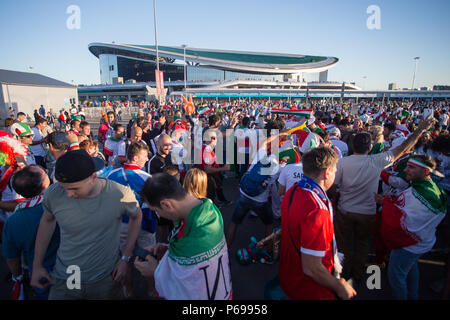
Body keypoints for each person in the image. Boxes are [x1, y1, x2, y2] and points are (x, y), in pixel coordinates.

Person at [333, 117, 437, 284]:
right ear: (370, 147)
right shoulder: (377, 160)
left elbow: (333, 186)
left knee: (343, 245)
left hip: (345, 210)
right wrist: (420, 130)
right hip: (367, 212)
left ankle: (342, 274)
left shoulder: (342, 163)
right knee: (362, 244)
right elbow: (403, 148)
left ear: (353, 146)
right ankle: (358, 274)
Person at [30, 150, 142, 300]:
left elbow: (137, 216)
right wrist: (37, 265)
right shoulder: (54, 193)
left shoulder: (118, 194)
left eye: (74, 189)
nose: (68, 194)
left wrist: (125, 258)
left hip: (105, 277)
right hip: (70, 274)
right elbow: (47, 221)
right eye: (64, 188)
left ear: (93, 177)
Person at [134, 173, 233, 300]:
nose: (159, 215)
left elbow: (187, 288)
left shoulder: (189, 240)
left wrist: (155, 271)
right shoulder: (209, 209)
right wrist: (166, 248)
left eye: (156, 211)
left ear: (166, 205)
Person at [278, 146, 356, 300]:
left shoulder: (293, 190)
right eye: (335, 171)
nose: (335, 174)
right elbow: (312, 268)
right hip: (310, 289)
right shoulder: (317, 210)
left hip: (289, 277)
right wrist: (339, 286)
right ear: (327, 172)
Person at [374, 155, 447, 300]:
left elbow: (405, 221)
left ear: (426, 171)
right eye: (407, 166)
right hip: (421, 242)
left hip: (409, 245)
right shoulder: (421, 186)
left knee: (396, 276)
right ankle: (413, 296)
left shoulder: (426, 194)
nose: (406, 170)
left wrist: (386, 203)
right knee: (410, 269)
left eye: (411, 167)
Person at [107, 142, 157, 298]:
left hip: (120, 224)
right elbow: (155, 205)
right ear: (135, 158)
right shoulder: (147, 178)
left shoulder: (111, 175)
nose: (147, 158)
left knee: (124, 259)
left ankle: (128, 291)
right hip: (143, 224)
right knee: (148, 258)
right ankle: (151, 290)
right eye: (144, 156)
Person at [1, 165, 60, 300]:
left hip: (40, 277)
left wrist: (18, 277)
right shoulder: (61, 204)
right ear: (45, 184)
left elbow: (12, 258)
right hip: (72, 271)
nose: (46, 171)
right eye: (44, 173)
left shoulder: (14, 221)